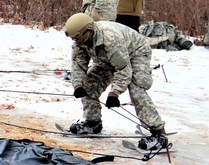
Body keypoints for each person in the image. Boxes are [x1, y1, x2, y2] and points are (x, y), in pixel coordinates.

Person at [64, 12, 168, 151]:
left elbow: (124, 69)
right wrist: (77, 85)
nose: (75, 40)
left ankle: (159, 133)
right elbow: (78, 64)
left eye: (77, 37)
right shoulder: (80, 40)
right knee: (89, 85)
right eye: (73, 38)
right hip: (106, 59)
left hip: (135, 53)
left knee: (136, 87)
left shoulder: (110, 39)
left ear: (87, 31)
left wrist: (115, 93)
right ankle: (92, 122)